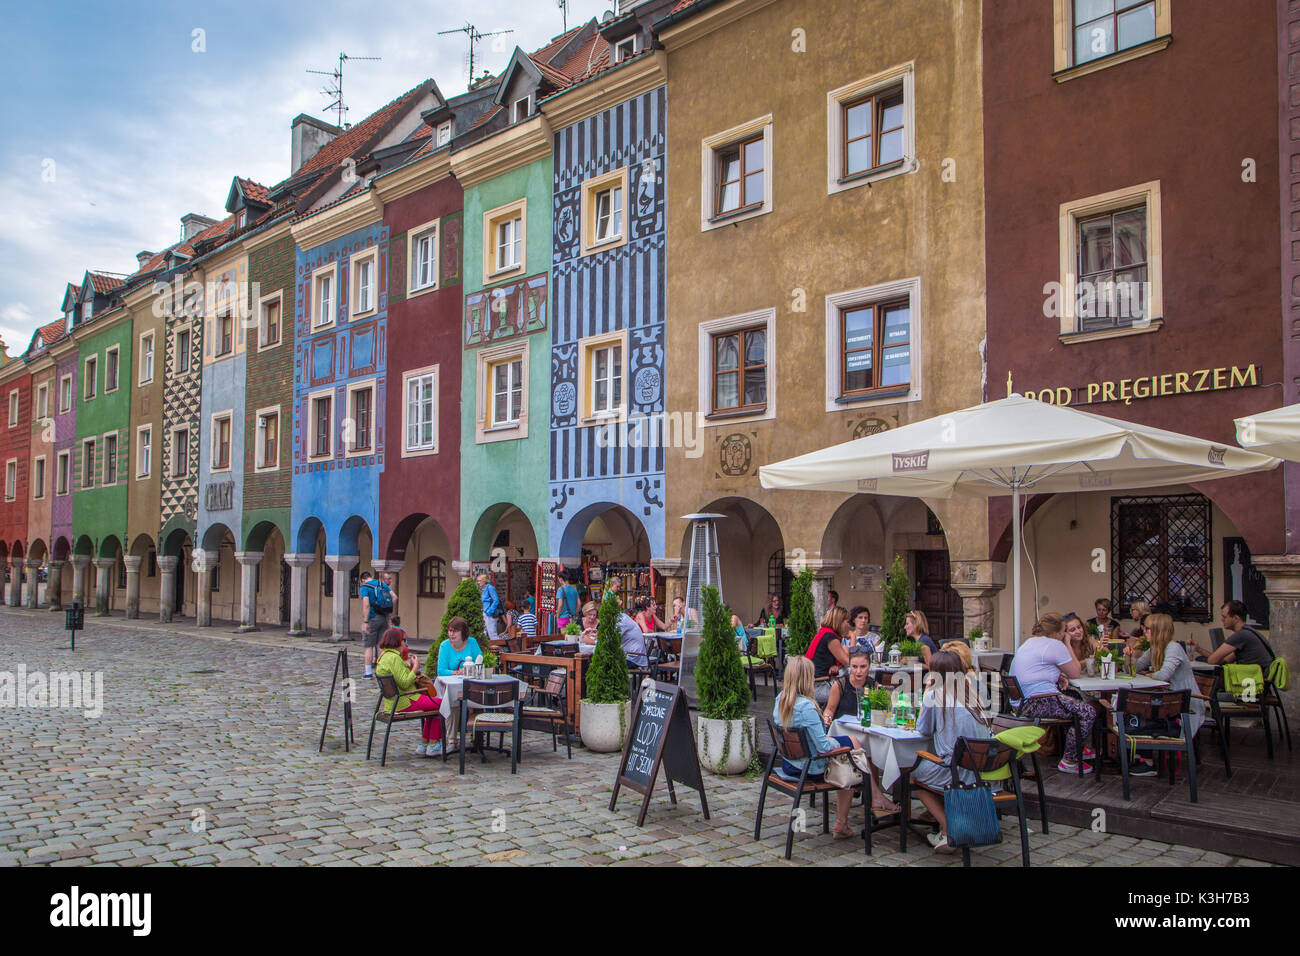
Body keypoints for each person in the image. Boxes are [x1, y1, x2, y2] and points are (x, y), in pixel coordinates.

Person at [911, 650, 997, 853]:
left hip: (955, 769)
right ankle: (944, 827)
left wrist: (926, 691)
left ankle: (949, 829)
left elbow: (922, 729)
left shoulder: (935, 695)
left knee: (913, 777)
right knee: (936, 768)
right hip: (981, 770)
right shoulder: (972, 694)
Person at [774, 657, 858, 839]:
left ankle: (871, 797)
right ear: (807, 678)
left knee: (849, 748)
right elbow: (823, 748)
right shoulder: (806, 707)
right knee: (852, 754)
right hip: (809, 768)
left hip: (789, 762)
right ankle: (845, 819)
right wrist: (837, 741)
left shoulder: (780, 699)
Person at [1008, 613, 1096, 772]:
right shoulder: (1055, 645)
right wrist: (1068, 644)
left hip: (1021, 701)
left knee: (1075, 698)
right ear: (1055, 633)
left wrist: (1058, 677)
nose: (1065, 635)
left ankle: (1077, 748)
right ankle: (1070, 760)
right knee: (1087, 711)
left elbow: (1039, 668)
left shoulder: (1030, 642)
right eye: (1064, 631)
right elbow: (1075, 672)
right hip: (1037, 702)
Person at [821, 649, 901, 813]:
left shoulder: (873, 685)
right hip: (843, 733)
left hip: (865, 732)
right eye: (854, 667)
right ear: (849, 666)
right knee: (860, 754)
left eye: (863, 667)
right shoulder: (840, 685)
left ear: (869, 666)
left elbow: (882, 709)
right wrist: (827, 718)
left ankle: (873, 799)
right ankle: (876, 797)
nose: (858, 671)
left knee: (872, 752)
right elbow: (829, 709)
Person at [1131, 613, 1205, 739]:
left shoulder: (1173, 647)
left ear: (1157, 631)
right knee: (1136, 708)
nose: (1144, 632)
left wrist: (1149, 675)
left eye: (1147, 629)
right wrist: (1129, 655)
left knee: (1139, 709)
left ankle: (1142, 752)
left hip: (1185, 704)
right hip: (1171, 700)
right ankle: (1141, 752)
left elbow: (1164, 675)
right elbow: (1136, 668)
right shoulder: (1155, 648)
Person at [376, 627, 443, 757]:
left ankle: (424, 744)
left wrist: (409, 668)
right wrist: (415, 668)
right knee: (442, 704)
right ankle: (433, 744)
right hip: (405, 700)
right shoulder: (393, 658)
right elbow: (405, 682)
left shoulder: (384, 656)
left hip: (394, 701)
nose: (405, 644)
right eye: (403, 640)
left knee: (432, 707)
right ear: (397, 641)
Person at [1184, 599, 1276, 670]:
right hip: (1261, 681)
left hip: (1251, 683)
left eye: (1224, 617)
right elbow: (1225, 660)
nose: (1222, 620)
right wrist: (1198, 649)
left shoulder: (1241, 636)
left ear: (1236, 618)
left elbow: (1212, 660)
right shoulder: (1249, 632)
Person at [805, 606, 851, 705]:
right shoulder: (830, 637)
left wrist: (837, 666)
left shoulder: (824, 632)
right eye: (847, 622)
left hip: (811, 684)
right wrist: (853, 638)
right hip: (817, 687)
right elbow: (849, 662)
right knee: (851, 696)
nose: (848, 625)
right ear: (839, 621)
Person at [359, 570, 395, 678]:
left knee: (369, 646)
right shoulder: (382, 584)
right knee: (380, 646)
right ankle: (381, 671)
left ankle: (368, 673)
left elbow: (366, 604)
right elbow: (394, 597)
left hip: (372, 619)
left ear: (362, 580)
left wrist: (365, 622)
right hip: (383, 618)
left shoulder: (365, 587)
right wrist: (388, 614)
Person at [476, 572, 502, 642]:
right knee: (483, 633)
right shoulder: (484, 589)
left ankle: (498, 651)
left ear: (484, 581)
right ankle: (484, 651)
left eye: (479, 581)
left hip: (489, 614)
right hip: (485, 613)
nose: (478, 582)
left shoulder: (490, 588)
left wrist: (490, 611)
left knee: (492, 634)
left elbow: (496, 600)